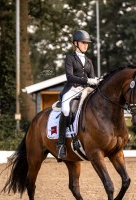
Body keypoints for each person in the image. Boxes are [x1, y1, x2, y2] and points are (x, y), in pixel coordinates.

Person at [57, 30, 99, 159]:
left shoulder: (89, 61)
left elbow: (92, 78)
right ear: (75, 43)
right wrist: (87, 80)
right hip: (71, 89)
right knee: (65, 110)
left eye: (87, 43)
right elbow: (69, 77)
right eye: (83, 43)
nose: (86, 45)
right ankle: (60, 144)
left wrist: (96, 82)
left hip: (85, 90)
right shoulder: (70, 58)